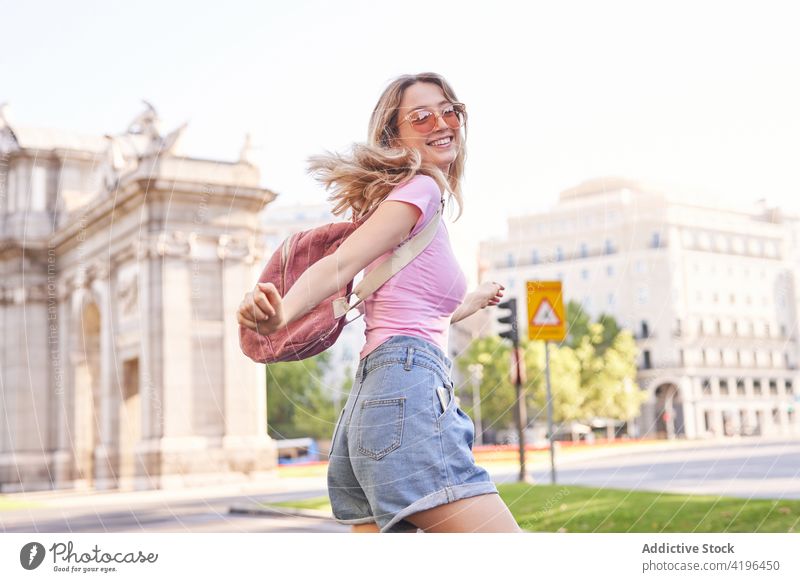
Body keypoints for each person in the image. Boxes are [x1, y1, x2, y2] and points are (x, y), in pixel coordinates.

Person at [237, 72, 522, 533]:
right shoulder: (422, 190)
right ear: (395, 135)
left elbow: (417, 313)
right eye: (421, 116)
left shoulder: (412, 206)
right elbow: (340, 264)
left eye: (451, 111)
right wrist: (281, 317)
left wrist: (473, 300)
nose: (441, 122)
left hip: (372, 404)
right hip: (406, 390)